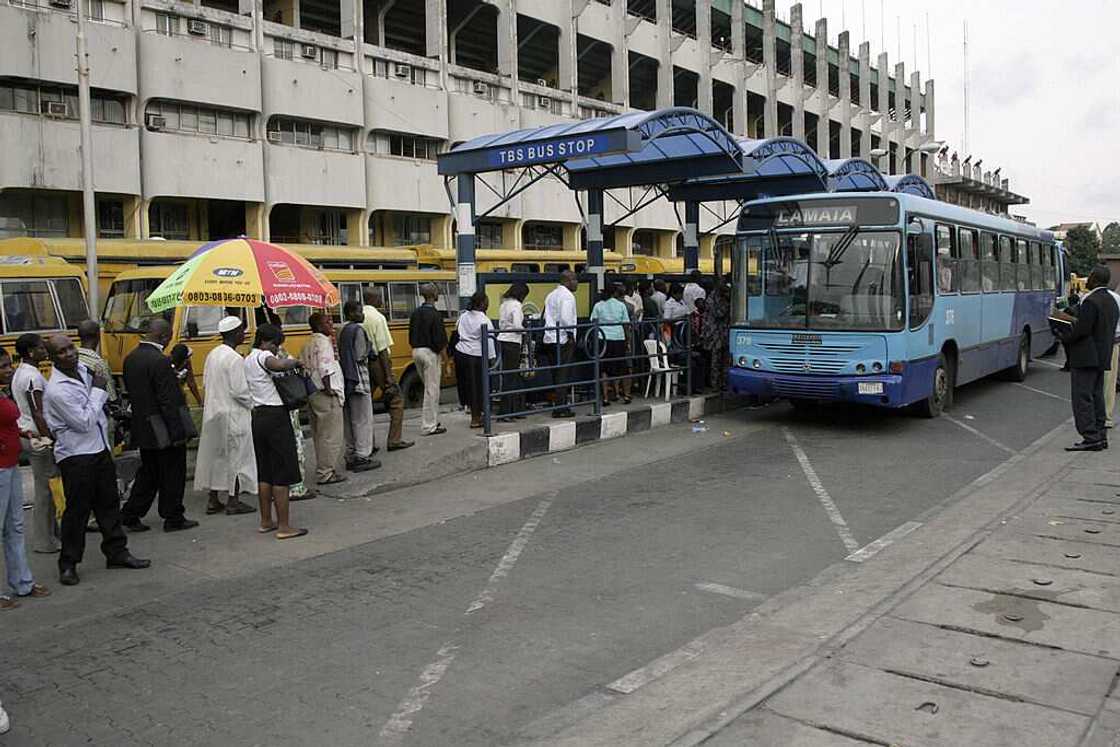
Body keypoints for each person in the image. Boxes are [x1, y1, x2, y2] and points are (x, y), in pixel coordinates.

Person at [42, 333, 149, 586]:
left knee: (109, 504)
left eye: (71, 348)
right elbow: (83, 421)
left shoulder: (84, 369)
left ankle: (117, 553)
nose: (69, 354)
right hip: (76, 455)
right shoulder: (56, 391)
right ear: (52, 358)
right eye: (62, 351)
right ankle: (68, 563)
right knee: (77, 512)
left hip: (99, 448)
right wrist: (99, 392)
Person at [120, 319, 198, 533]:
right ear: (163, 337)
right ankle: (173, 516)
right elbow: (168, 400)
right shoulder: (160, 361)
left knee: (149, 473)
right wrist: (178, 432)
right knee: (173, 473)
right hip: (164, 427)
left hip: (143, 427)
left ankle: (131, 513)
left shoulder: (131, 359)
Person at [244, 324, 307, 539]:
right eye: (275, 344)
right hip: (275, 417)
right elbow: (277, 364)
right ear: (266, 341)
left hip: (258, 416)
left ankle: (265, 521)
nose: (275, 349)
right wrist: (295, 362)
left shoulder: (247, 359)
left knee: (265, 472)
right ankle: (284, 527)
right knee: (282, 472)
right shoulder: (263, 356)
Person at [0, 346, 50, 609]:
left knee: (15, 526)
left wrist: (23, 435)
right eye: (2, 367)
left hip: (10, 465)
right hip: (1, 468)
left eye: (9, 365)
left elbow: (9, 423)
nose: (8, 370)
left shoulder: (3, 392)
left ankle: (22, 582)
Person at [193, 317, 257, 516]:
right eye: (241, 331)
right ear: (236, 334)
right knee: (237, 458)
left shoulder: (213, 354)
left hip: (214, 413)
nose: (244, 334)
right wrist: (253, 404)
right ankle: (233, 500)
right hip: (233, 415)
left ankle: (213, 499)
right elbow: (239, 392)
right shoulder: (234, 358)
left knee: (217, 458)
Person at [1058, 265, 1120, 451]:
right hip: (1102, 356)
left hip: (1085, 357)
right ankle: (1101, 435)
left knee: (1082, 397)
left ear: (1095, 278)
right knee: (1097, 396)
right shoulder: (1111, 300)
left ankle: (1090, 437)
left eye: (1091, 275)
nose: (1089, 279)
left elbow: (1082, 330)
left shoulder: (1091, 301)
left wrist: (1064, 336)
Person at [12, 333, 58, 554]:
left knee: (46, 488)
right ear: (31, 352)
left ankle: (51, 534)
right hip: (37, 438)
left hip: (29, 434)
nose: (45, 350)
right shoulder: (32, 377)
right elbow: (37, 412)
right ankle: (44, 541)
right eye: (41, 347)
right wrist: (49, 437)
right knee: (45, 491)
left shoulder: (20, 372)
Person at [363, 287, 414, 452]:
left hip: (364, 363)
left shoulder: (360, 315)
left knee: (365, 404)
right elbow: (383, 349)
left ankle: (367, 443)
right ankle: (394, 440)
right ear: (374, 299)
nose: (382, 301)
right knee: (397, 401)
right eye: (380, 298)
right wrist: (389, 377)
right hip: (379, 363)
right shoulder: (378, 318)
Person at [301, 312, 347, 485]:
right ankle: (326, 472)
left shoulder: (308, 343)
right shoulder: (323, 343)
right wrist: (330, 389)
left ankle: (323, 468)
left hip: (313, 393)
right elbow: (325, 368)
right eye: (328, 322)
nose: (332, 325)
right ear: (319, 326)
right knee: (331, 435)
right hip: (326, 393)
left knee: (319, 434)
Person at [339, 301, 380, 472]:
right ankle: (362, 456)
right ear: (351, 314)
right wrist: (370, 347)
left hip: (346, 378)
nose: (362, 314)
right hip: (359, 378)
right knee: (363, 419)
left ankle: (351, 454)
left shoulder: (342, 330)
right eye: (359, 311)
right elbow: (361, 355)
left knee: (350, 420)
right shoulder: (358, 330)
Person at [408, 283, 449, 436]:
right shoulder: (435, 315)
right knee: (432, 391)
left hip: (416, 351)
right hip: (430, 353)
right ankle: (429, 426)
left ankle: (431, 420)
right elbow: (440, 341)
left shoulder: (416, 313)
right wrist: (447, 362)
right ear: (434, 295)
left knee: (428, 389)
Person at [454, 292, 496, 428]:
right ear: (482, 303)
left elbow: (457, 331)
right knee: (479, 388)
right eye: (487, 301)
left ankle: (474, 416)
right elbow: (489, 342)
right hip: (477, 356)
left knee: (468, 387)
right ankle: (477, 419)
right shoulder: (484, 320)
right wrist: (492, 359)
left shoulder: (463, 316)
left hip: (461, 353)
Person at [543, 271, 579, 418]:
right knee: (563, 373)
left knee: (556, 373)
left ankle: (559, 403)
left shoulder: (551, 294)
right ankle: (560, 407)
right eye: (575, 279)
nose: (576, 282)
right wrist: (571, 334)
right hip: (563, 339)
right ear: (568, 280)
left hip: (550, 338)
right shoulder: (567, 296)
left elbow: (545, 315)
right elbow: (565, 318)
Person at [591, 283, 632, 405]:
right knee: (623, 368)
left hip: (603, 339)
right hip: (618, 338)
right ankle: (626, 395)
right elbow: (626, 324)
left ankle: (605, 397)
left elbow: (593, 321)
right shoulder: (620, 305)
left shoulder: (598, 305)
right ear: (615, 293)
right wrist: (628, 341)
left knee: (604, 368)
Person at [497, 283, 529, 419]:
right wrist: (525, 330)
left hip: (502, 340)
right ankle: (507, 412)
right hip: (512, 342)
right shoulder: (516, 305)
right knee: (512, 377)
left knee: (507, 376)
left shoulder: (504, 304)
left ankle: (509, 410)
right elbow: (517, 325)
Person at [1106, 286, 1120, 429]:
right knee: (1110, 381)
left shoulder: (1089, 298)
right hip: (1114, 341)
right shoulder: (1116, 298)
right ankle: (1107, 415)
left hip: (1105, 342)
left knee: (1105, 381)